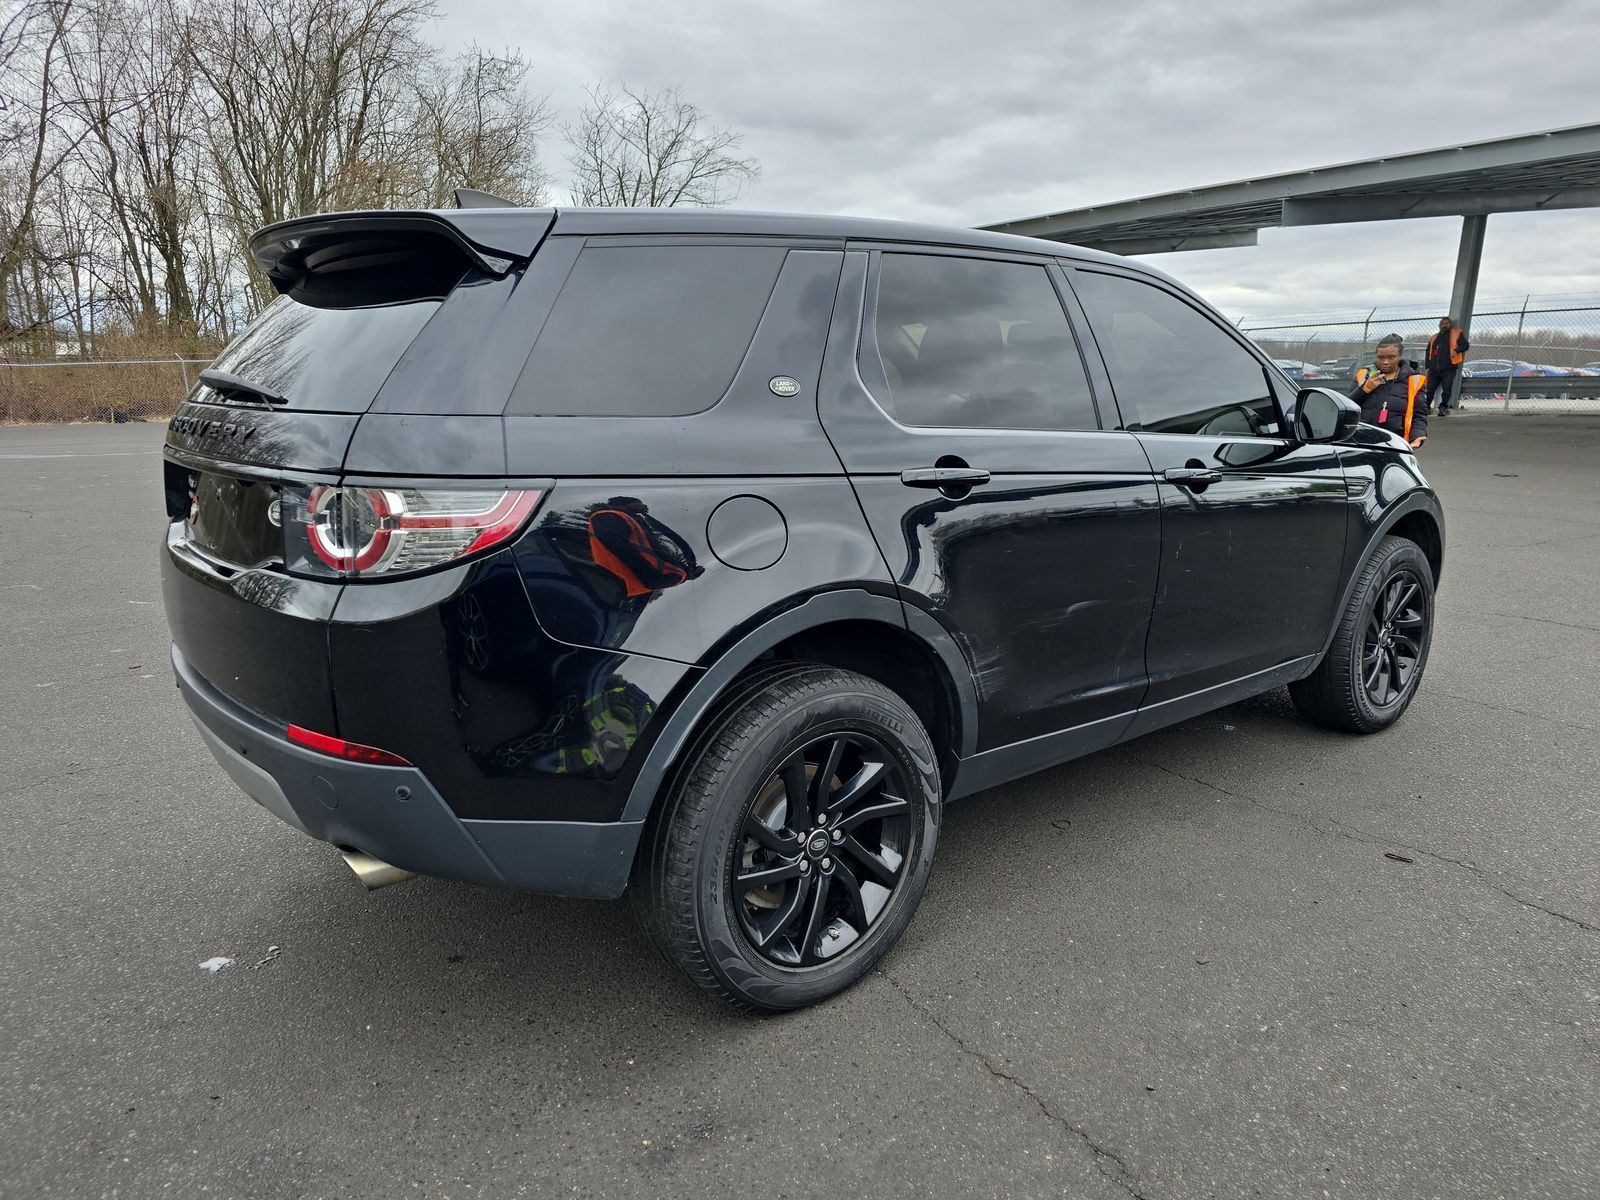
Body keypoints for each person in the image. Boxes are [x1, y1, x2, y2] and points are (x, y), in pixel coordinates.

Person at [1349, 333, 1429, 449]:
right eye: (1381, 357)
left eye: (1391, 357)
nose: (1385, 362)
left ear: (1400, 356)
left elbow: (1419, 414)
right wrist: (1365, 389)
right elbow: (1348, 406)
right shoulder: (1363, 375)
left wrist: (1418, 435)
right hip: (1362, 441)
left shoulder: (1414, 380)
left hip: (1396, 443)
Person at [1424, 316, 1470, 415]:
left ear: (1450, 325)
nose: (1444, 325)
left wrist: (1456, 351)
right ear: (1440, 325)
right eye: (1442, 324)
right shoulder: (1434, 337)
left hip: (1449, 367)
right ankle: (1426, 407)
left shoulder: (1456, 334)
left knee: (1447, 389)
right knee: (1430, 389)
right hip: (1434, 369)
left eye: (1446, 323)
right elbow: (1428, 351)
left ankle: (1443, 407)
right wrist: (1428, 365)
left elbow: (1465, 345)